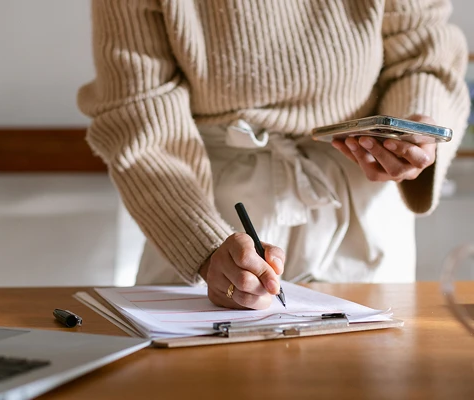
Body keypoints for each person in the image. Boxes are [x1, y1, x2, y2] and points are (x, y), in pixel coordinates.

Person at [77, 0, 469, 309]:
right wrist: (203, 245)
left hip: (360, 208)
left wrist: (412, 130)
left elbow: (424, 53)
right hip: (205, 207)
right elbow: (138, 109)